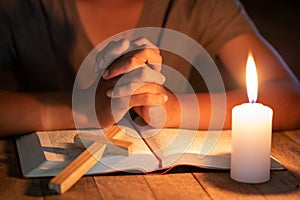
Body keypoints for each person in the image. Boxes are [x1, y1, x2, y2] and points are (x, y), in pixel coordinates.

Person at [0, 0, 299, 136]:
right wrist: (84, 108)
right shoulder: (20, 8)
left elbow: (289, 96)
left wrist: (171, 109)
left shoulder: (200, 5)